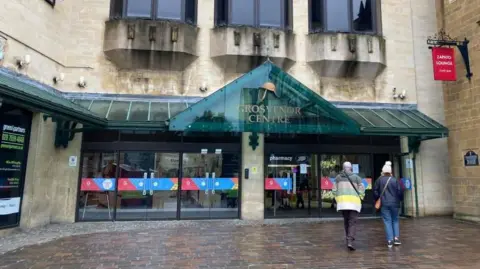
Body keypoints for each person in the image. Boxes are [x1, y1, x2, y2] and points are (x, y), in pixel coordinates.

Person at [333, 162, 365, 250]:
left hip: (343, 203)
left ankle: (348, 238)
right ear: (351, 168)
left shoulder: (338, 178)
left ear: (343, 168)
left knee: (346, 221)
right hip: (354, 203)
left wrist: (338, 199)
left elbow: (334, 190)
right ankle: (350, 240)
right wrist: (360, 197)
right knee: (352, 222)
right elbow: (362, 189)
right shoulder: (356, 178)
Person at [374, 161, 404, 248]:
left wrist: (377, 199)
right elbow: (400, 192)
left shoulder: (379, 180)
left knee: (387, 221)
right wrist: (400, 200)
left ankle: (390, 240)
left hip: (384, 203)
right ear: (391, 171)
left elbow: (375, 192)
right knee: (395, 220)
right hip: (395, 203)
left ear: (383, 171)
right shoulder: (395, 180)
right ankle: (396, 238)